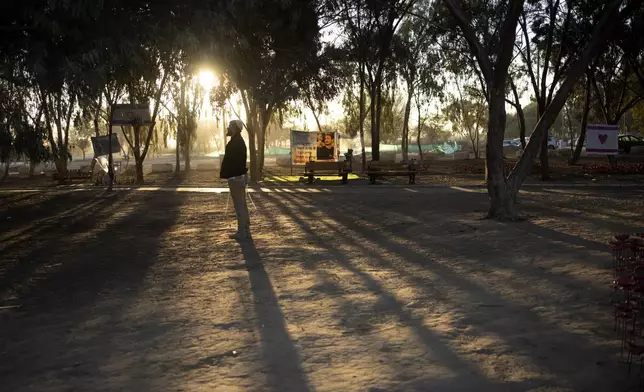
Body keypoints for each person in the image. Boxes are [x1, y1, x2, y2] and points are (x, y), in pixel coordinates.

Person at [220, 120, 251, 240]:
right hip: (238, 177)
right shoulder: (238, 142)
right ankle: (245, 231)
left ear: (234, 128)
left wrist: (229, 174)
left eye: (230, 126)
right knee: (242, 204)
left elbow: (232, 162)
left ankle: (242, 232)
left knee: (239, 206)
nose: (228, 127)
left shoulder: (235, 143)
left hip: (236, 178)